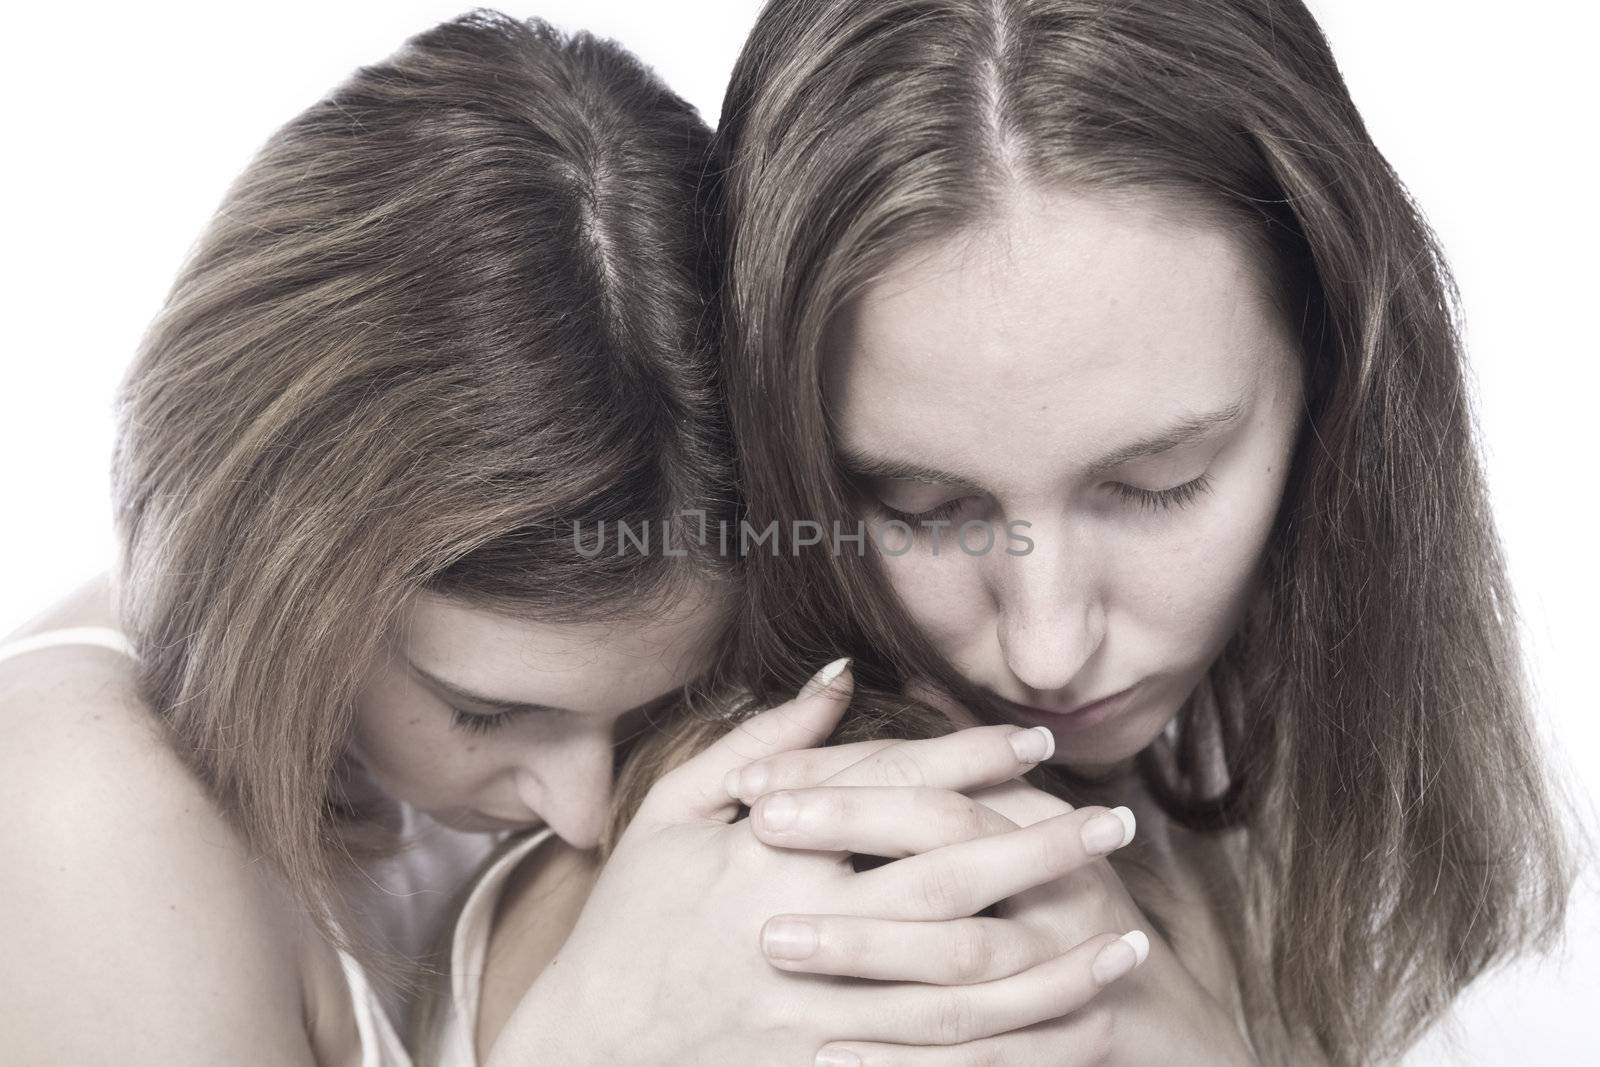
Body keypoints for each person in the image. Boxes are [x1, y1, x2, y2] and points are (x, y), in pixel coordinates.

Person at [0, 11, 1150, 1066]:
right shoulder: (82, 813)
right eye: (486, 711)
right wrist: (594, 1037)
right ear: (280, 568)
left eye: (648, 698)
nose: (584, 810)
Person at [468, 1, 1575, 1064]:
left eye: (1158, 483)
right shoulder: (778, 917)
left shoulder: (1291, 805)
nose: (1046, 646)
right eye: (923, 509)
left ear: (1334, 372)